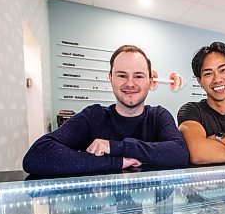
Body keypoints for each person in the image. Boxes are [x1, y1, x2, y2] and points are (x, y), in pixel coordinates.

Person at [23, 45, 189, 176]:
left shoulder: (158, 116)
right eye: (122, 75)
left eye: (138, 76)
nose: (130, 83)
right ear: (110, 78)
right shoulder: (94, 116)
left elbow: (179, 154)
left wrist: (115, 147)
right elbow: (37, 156)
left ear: (150, 81)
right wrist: (118, 162)